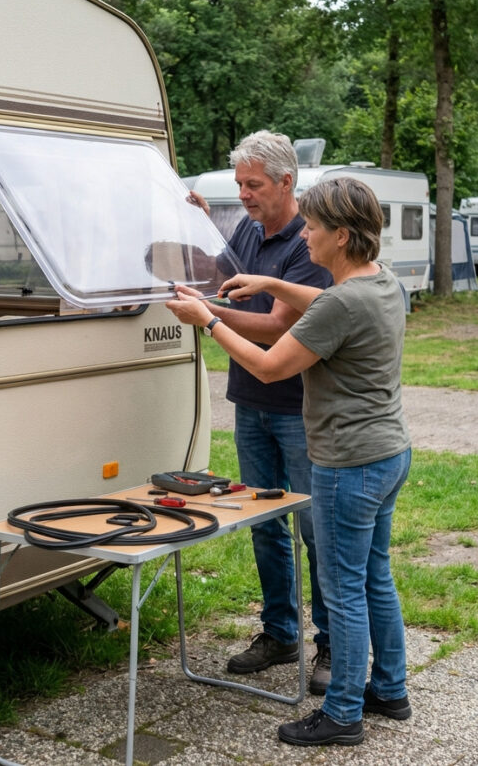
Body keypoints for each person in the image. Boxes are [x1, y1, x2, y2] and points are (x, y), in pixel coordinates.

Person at [167, 175, 412, 747]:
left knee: (344, 587)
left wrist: (208, 320)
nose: (305, 233)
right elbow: (328, 302)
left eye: (314, 227)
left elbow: (272, 366)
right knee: (374, 575)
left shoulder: (343, 303)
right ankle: (390, 688)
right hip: (388, 454)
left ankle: (344, 712)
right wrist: (273, 280)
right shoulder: (383, 284)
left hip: (346, 464)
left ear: (343, 236)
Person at [189, 131, 333, 694]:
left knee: (313, 529)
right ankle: (279, 633)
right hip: (250, 403)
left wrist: (206, 315)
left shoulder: (309, 243)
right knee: (264, 523)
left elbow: (277, 325)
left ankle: (330, 645)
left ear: (285, 182)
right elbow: (220, 279)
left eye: (253, 185)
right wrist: (196, 226)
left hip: (298, 409)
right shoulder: (248, 232)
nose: (244, 195)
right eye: (239, 185)